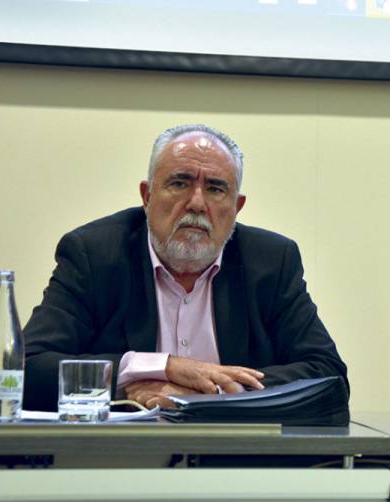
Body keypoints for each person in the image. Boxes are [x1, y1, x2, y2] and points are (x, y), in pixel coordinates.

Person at [23, 124, 347, 411]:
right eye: (180, 183)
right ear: (147, 196)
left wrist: (210, 390)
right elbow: (28, 370)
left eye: (216, 189)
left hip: (235, 462)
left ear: (237, 208)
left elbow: (328, 376)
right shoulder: (95, 255)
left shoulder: (271, 262)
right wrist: (158, 368)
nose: (196, 203)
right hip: (122, 461)